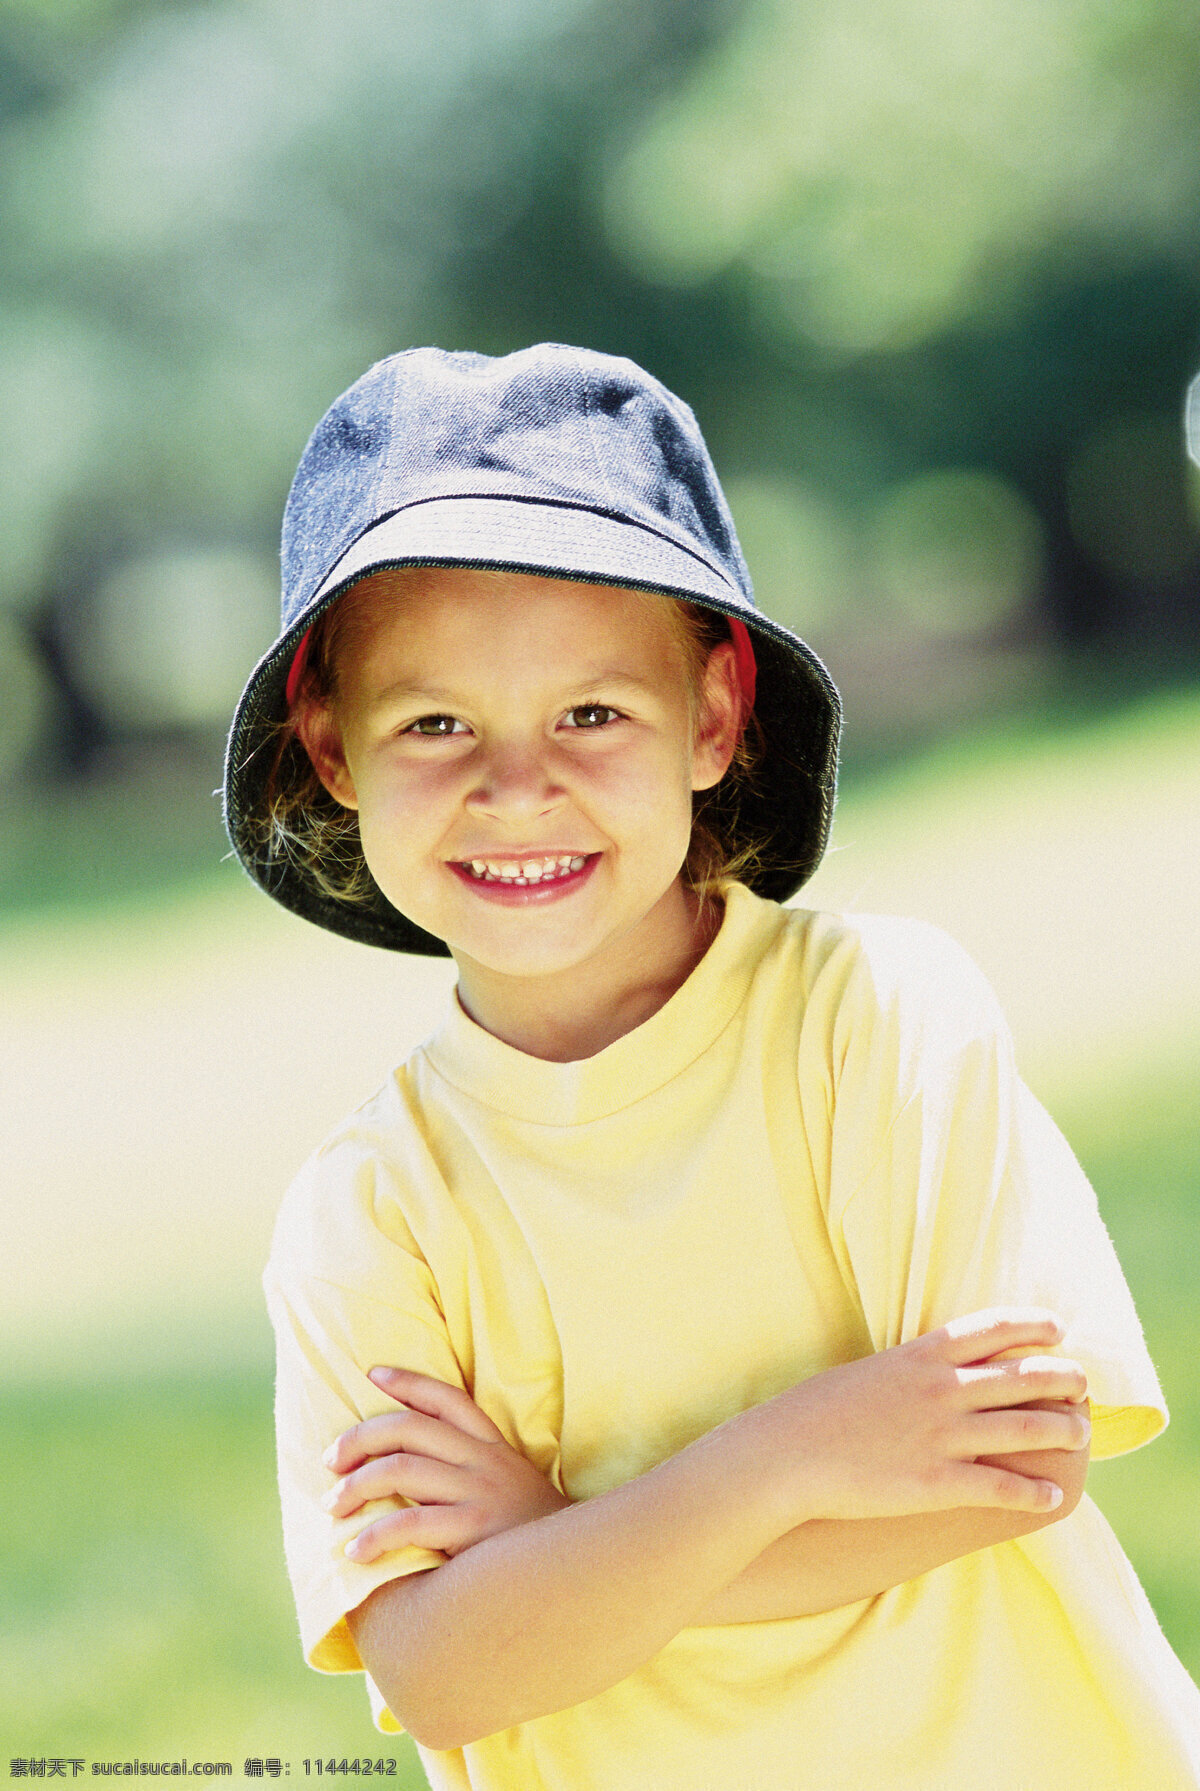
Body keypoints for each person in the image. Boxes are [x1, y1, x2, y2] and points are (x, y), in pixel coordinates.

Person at [223, 343, 1200, 1790]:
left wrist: (549, 1549)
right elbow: (440, 1672)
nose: (516, 786)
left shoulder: (876, 1018)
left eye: (593, 713)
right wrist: (796, 1455)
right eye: (433, 723)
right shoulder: (370, 1213)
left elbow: (1009, 1468)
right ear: (333, 748)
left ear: (716, 713)